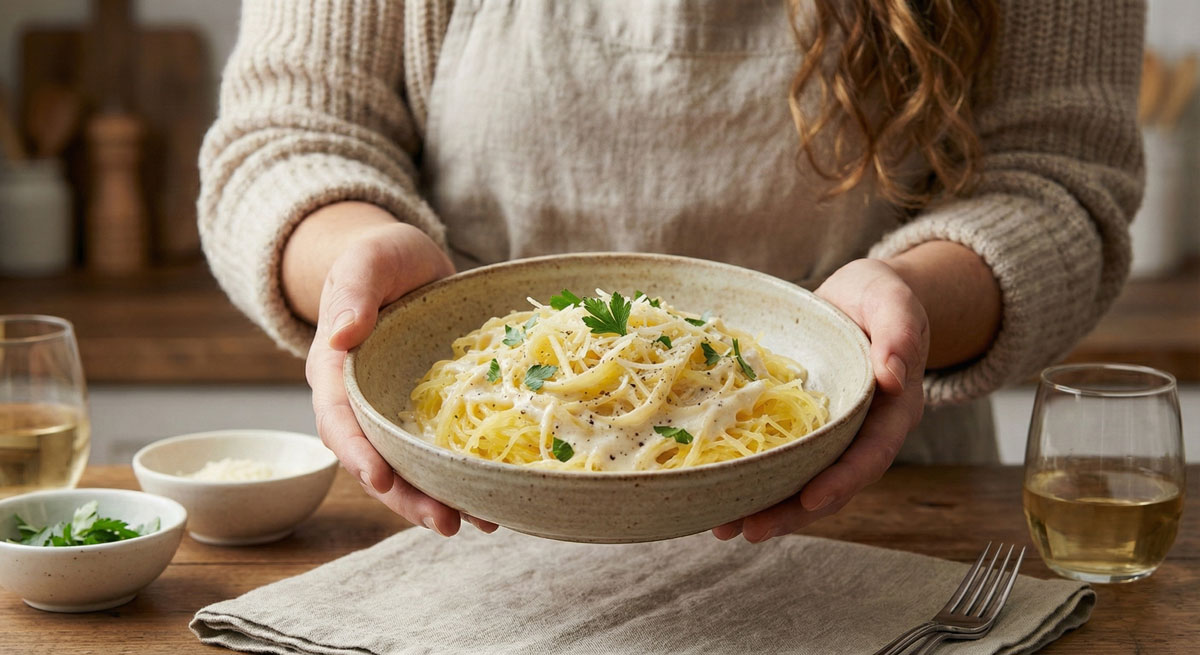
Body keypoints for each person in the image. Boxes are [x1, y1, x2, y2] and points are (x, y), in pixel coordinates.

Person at [199, 0, 1143, 542]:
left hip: (869, 504)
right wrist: (351, 261)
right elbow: (288, 135)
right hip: (465, 514)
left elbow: (1058, 180)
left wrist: (910, 298)